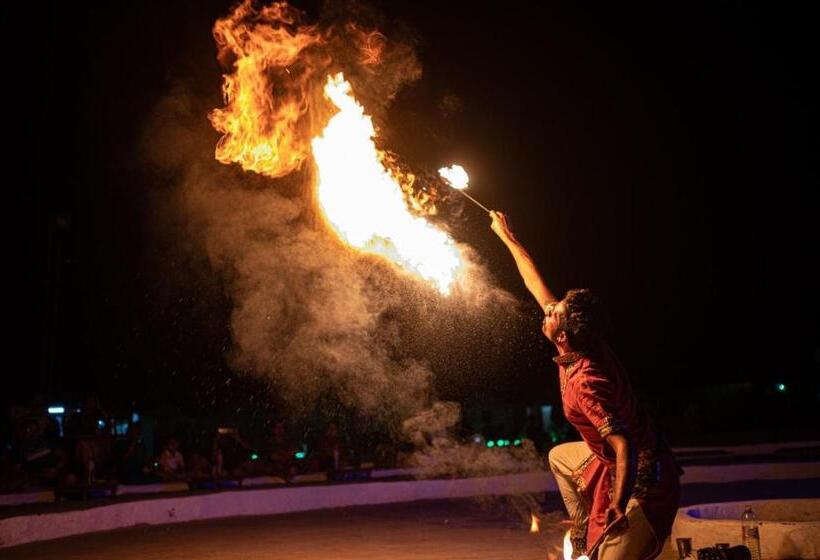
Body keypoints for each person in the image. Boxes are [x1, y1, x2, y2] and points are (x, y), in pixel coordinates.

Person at [490, 211, 680, 560]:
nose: (546, 311)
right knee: (560, 457)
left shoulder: (587, 381)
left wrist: (619, 504)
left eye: (553, 313)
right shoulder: (583, 341)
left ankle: (625, 525)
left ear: (561, 335)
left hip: (645, 481)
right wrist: (507, 237)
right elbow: (536, 284)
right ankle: (580, 530)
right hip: (609, 462)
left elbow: (624, 447)